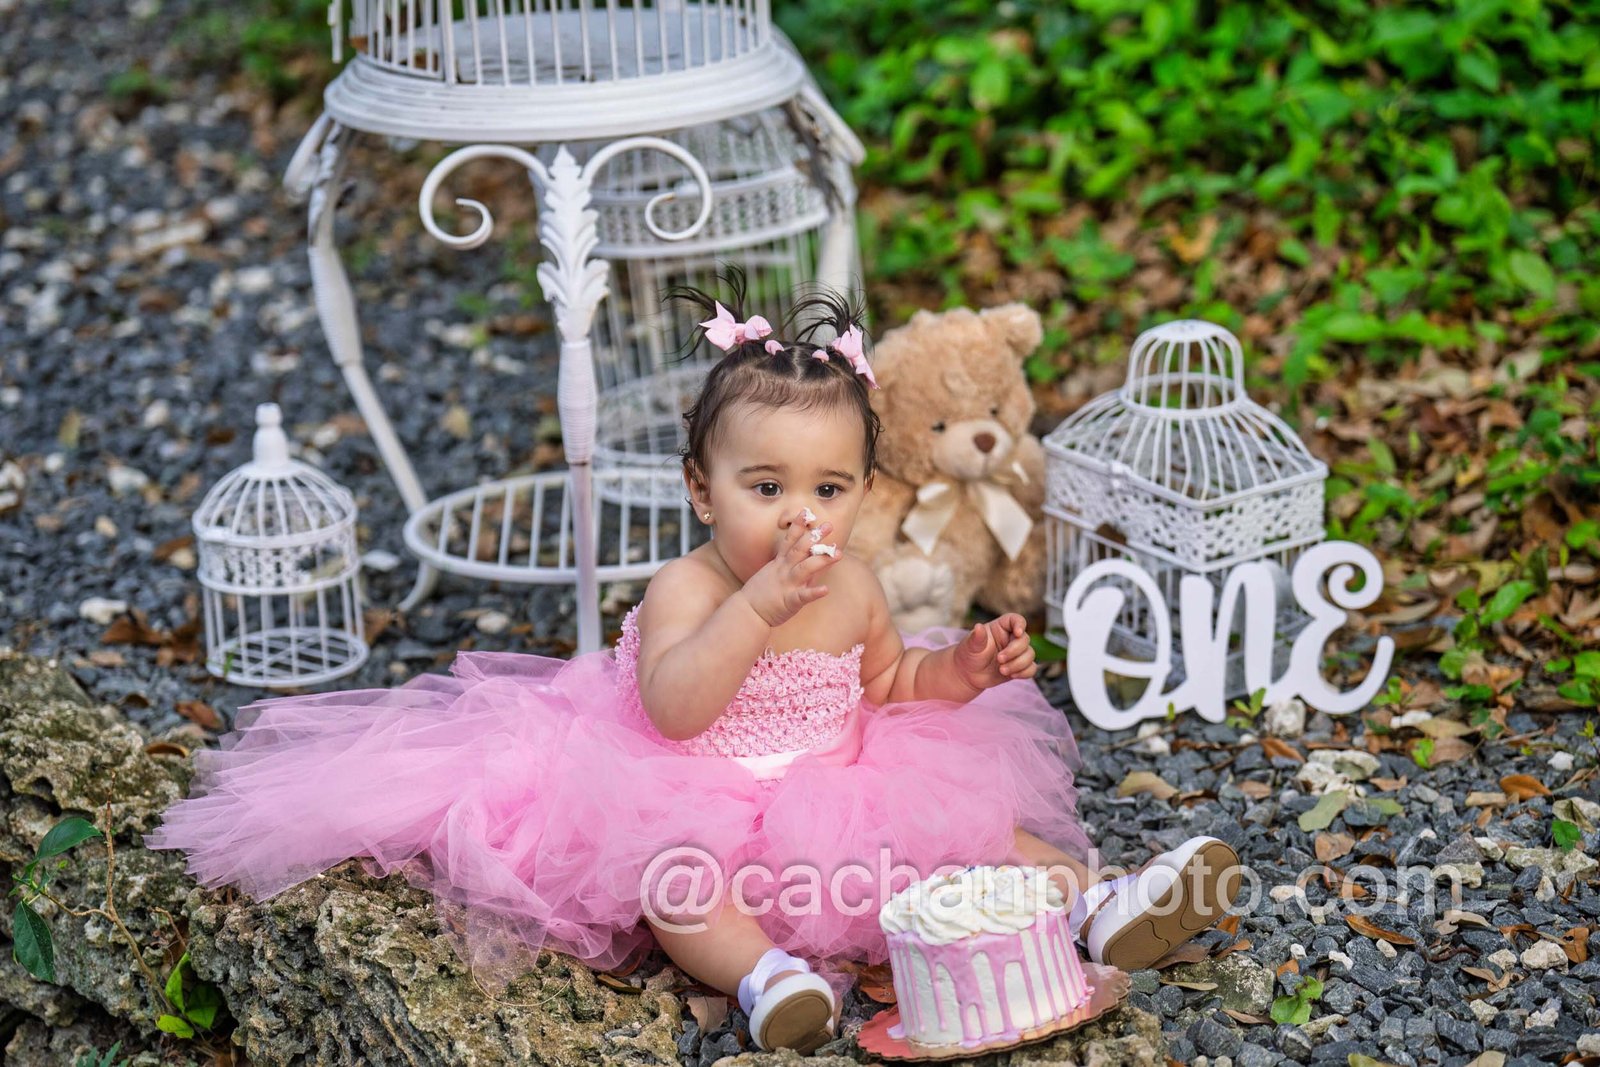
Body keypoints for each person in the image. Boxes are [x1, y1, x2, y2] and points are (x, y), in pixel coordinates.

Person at [145, 269, 1239, 1055]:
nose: (800, 515)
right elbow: (674, 708)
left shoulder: (856, 587)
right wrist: (755, 608)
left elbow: (888, 687)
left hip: (844, 798)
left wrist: (963, 671)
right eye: (766, 488)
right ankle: (765, 979)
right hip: (696, 797)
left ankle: (1097, 905)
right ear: (701, 490)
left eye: (828, 489)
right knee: (678, 888)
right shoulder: (689, 589)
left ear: (863, 492)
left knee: (979, 828)